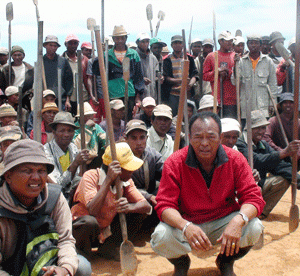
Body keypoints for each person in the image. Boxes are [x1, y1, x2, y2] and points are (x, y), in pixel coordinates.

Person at [150, 112, 265, 276]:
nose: (204, 143)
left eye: (211, 137)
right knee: (161, 237)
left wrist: (239, 221)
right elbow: (164, 205)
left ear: (220, 137)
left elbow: (253, 197)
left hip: (223, 221)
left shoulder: (236, 159)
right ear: (189, 137)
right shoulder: (175, 162)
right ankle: (181, 263)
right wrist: (186, 226)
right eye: (198, 137)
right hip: (188, 221)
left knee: (254, 227)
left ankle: (226, 261)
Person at [0, 139, 92, 276]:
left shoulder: (54, 198)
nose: (36, 177)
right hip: (10, 270)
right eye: (27, 171)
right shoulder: (2, 209)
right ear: (8, 176)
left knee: (82, 267)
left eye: (41, 171)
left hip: (46, 266)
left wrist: (64, 269)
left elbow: (65, 240)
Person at [71, 142, 151, 259]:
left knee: (137, 213)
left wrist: (129, 207)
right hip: (84, 231)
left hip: (105, 230)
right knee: (89, 222)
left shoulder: (126, 181)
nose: (131, 172)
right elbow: (93, 210)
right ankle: (82, 254)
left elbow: (147, 207)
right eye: (128, 169)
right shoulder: (91, 176)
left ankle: (108, 248)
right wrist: (108, 180)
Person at [236, 110, 300, 220]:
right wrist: (284, 152)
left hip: (259, 186)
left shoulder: (263, 145)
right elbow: (257, 160)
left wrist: (297, 179)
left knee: (283, 179)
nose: (261, 131)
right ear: (249, 128)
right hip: (241, 192)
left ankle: (262, 212)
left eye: (263, 128)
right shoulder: (240, 144)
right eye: (257, 128)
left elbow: (278, 165)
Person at [92, 25, 145, 121]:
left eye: (122, 38)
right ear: (113, 39)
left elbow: (138, 77)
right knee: (114, 121)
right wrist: (101, 53)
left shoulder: (133, 54)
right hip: (112, 94)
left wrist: (138, 97)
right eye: (117, 38)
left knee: (128, 120)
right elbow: (96, 71)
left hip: (129, 94)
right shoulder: (107, 55)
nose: (120, 40)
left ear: (126, 38)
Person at [231, 34, 277, 128]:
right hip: (246, 106)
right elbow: (235, 82)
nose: (253, 45)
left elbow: (273, 84)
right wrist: (235, 66)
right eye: (251, 43)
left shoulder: (268, 61)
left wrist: (272, 104)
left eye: (256, 43)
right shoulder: (241, 61)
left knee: (262, 132)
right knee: (246, 132)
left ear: (260, 45)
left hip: (263, 106)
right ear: (247, 45)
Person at [44, 112, 89, 199]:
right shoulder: (46, 151)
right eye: (62, 131)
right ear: (54, 132)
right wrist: (75, 163)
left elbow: (76, 178)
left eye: (70, 131)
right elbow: (58, 185)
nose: (66, 135)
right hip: (54, 196)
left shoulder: (72, 147)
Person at [125, 119, 163, 205]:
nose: (139, 143)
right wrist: (148, 197)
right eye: (134, 138)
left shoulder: (152, 155)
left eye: (142, 137)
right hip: (129, 201)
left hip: (151, 197)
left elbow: (165, 172)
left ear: (147, 138)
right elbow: (125, 187)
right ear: (126, 139)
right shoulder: (121, 156)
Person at [203, 31, 237, 119]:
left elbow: (238, 75)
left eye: (231, 40)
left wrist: (228, 72)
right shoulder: (211, 56)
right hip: (216, 99)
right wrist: (216, 72)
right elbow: (205, 76)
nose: (229, 43)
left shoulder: (235, 57)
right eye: (227, 40)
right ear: (220, 42)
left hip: (231, 100)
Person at [162, 35, 198, 116]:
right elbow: (166, 77)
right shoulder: (167, 59)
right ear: (171, 45)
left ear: (183, 45)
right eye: (175, 43)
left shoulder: (189, 58)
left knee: (188, 116)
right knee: (174, 116)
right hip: (173, 95)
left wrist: (190, 84)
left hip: (187, 94)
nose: (177, 45)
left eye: (179, 43)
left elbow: (195, 74)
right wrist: (181, 81)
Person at [264, 93, 300, 167]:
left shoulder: (298, 122)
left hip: (296, 156)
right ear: (280, 105)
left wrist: (298, 152)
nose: (288, 105)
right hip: (279, 156)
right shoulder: (273, 121)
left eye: (291, 103)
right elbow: (266, 138)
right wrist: (282, 151)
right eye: (285, 103)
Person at [43, 35, 73, 112]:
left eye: (55, 46)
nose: (53, 47)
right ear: (45, 46)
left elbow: (69, 82)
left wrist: (67, 100)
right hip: (44, 101)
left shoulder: (63, 61)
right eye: (50, 45)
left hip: (60, 101)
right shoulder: (41, 62)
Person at [62, 34, 89, 116]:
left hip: (83, 96)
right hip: (69, 98)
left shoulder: (84, 60)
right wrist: (66, 99)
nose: (73, 45)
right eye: (70, 43)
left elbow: (88, 78)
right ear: (65, 44)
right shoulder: (61, 60)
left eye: (75, 43)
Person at [0, 45, 34, 111]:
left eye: (19, 55)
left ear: (23, 56)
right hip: (10, 98)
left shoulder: (30, 69)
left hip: (24, 98)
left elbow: (32, 85)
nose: (17, 57)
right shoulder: (6, 70)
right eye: (14, 55)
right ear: (11, 56)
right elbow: (2, 85)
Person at [73, 102, 106, 169]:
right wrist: (86, 128)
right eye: (86, 116)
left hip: (94, 159)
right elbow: (77, 145)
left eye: (90, 115)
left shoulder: (95, 127)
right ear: (80, 117)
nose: (89, 118)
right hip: (80, 161)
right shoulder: (75, 128)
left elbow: (104, 138)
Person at [136, 33, 159, 99]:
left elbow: (157, 74)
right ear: (137, 43)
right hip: (138, 95)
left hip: (151, 94)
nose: (145, 44)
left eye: (147, 41)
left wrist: (160, 77)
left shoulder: (153, 58)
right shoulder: (133, 56)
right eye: (143, 42)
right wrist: (141, 79)